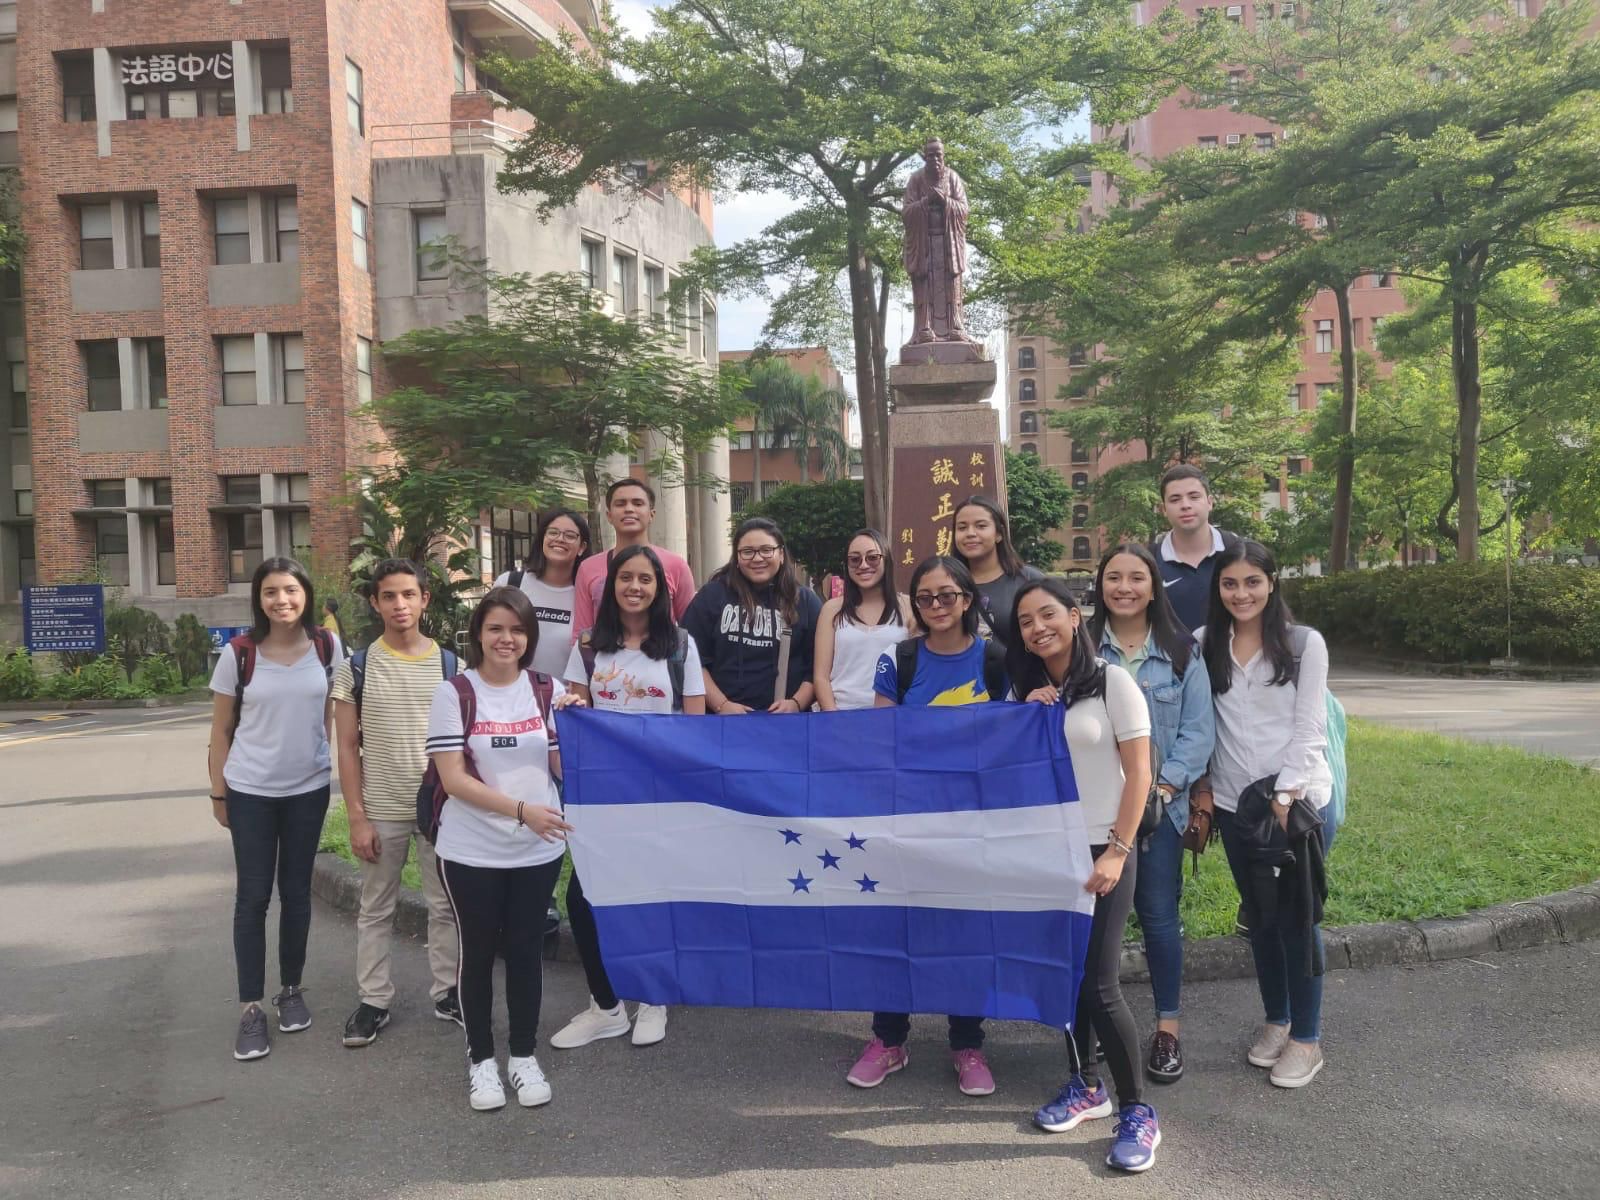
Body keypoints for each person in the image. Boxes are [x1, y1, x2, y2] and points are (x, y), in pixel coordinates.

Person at [1009, 577, 1160, 1173]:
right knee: (1070, 979)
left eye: (1048, 614)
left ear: (1075, 616)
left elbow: (1140, 774)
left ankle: (1138, 1111)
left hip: (1107, 846)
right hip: (1057, 849)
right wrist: (1025, 717)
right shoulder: (1040, 692)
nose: (1038, 627)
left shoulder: (1113, 682)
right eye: (1026, 621)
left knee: (1101, 984)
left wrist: (1118, 851)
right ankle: (1086, 1085)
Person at [846, 555, 1007, 1098]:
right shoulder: (900, 658)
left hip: (974, 822)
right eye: (925, 598)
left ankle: (967, 1045)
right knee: (897, 929)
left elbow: (1013, 738)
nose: (937, 606)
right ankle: (888, 1040)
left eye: (947, 595)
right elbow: (879, 737)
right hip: (909, 817)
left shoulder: (998, 659)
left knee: (967, 932)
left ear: (967, 599)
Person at [549, 545, 708, 1052]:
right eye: (625, 579)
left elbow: (696, 727)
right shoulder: (591, 645)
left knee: (652, 896)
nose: (635, 588)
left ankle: (653, 998)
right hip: (603, 796)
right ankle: (605, 1006)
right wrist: (573, 705)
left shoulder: (681, 645)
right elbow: (576, 710)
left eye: (645, 579)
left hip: (660, 795)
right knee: (585, 897)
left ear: (661, 588)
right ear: (610, 585)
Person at [426, 586, 573, 1112]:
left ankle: (523, 1055)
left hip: (537, 850)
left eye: (516, 629)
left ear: (529, 636)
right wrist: (521, 811)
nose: (506, 639)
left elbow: (559, 763)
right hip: (472, 850)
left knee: (527, 951)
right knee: (479, 952)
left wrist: (582, 729)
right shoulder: (455, 692)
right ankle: (482, 1061)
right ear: (478, 635)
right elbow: (455, 779)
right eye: (495, 629)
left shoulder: (545, 689)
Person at [1199, 539, 1334, 1090]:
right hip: (1234, 805)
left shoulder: (1303, 644)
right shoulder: (1205, 643)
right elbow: (1204, 723)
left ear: (1271, 583)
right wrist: (1205, 789)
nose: (1241, 593)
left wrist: (1284, 798)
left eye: (1252, 582)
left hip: (1291, 805)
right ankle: (1277, 1021)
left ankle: (1308, 1037)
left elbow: (1310, 727)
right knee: (1259, 919)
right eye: (1230, 584)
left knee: (1297, 919)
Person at [1087, 544, 1214, 1084]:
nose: (1124, 587)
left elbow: (1198, 731)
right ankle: (1094, 1027)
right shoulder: (1084, 647)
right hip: (1097, 815)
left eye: (1136, 577)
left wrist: (1160, 789)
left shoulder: (1182, 650)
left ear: (1154, 585)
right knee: (1095, 926)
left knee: (1160, 919)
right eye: (1113, 577)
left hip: (1160, 811)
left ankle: (1167, 1030)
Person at [207, 557, 341, 1062]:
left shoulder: (328, 647)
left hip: (307, 789)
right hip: (250, 792)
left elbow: (330, 711)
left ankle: (290, 990)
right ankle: (249, 1009)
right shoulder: (239, 654)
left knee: (296, 894)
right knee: (253, 897)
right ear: (258, 600)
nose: (281, 600)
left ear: (305, 593)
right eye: (270, 592)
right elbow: (221, 731)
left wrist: (321, 759)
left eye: (289, 590)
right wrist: (219, 793)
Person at [331, 559, 461, 1049]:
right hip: (381, 809)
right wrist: (357, 817)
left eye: (409, 594)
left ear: (425, 599)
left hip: (439, 808)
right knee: (375, 908)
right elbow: (346, 747)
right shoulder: (357, 668)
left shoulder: (451, 666)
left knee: (444, 904)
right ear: (375, 602)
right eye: (389, 596)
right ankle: (374, 1001)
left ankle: (448, 992)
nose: (400, 604)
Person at [681, 517, 821, 714]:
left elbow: (819, 667)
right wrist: (722, 705)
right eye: (747, 552)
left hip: (786, 725)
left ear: (781, 554)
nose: (757, 558)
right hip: (722, 724)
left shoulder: (805, 601)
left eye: (766, 550)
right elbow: (691, 657)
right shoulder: (711, 596)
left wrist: (796, 703)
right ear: (737, 557)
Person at [570, 480, 696, 643]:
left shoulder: (676, 566)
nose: (629, 509)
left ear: (651, 514)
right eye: (620, 504)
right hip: (605, 665)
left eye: (637, 503)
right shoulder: (588, 568)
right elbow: (581, 635)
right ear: (609, 515)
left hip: (661, 660)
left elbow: (692, 630)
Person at [813, 529, 912, 712]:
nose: (864, 565)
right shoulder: (832, 609)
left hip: (893, 718)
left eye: (872, 557)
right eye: (855, 559)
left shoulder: (908, 607)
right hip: (841, 715)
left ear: (886, 559)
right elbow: (821, 676)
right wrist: (833, 717)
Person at [493, 509, 591, 680]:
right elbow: (487, 637)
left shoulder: (587, 594)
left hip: (566, 701)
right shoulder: (509, 583)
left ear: (582, 547)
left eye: (569, 535)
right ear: (542, 539)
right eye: (553, 532)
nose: (559, 539)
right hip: (513, 697)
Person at [1149, 464, 1239, 635]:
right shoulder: (1149, 561)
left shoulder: (1238, 551)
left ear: (1210, 502)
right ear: (1163, 510)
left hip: (1231, 660)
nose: (1185, 505)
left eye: (1194, 497)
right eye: (1175, 499)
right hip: (1172, 660)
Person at [952, 495, 1044, 650]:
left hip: (1020, 673)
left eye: (981, 526)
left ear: (999, 534)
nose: (970, 533)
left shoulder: (1029, 579)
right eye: (962, 527)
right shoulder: (947, 584)